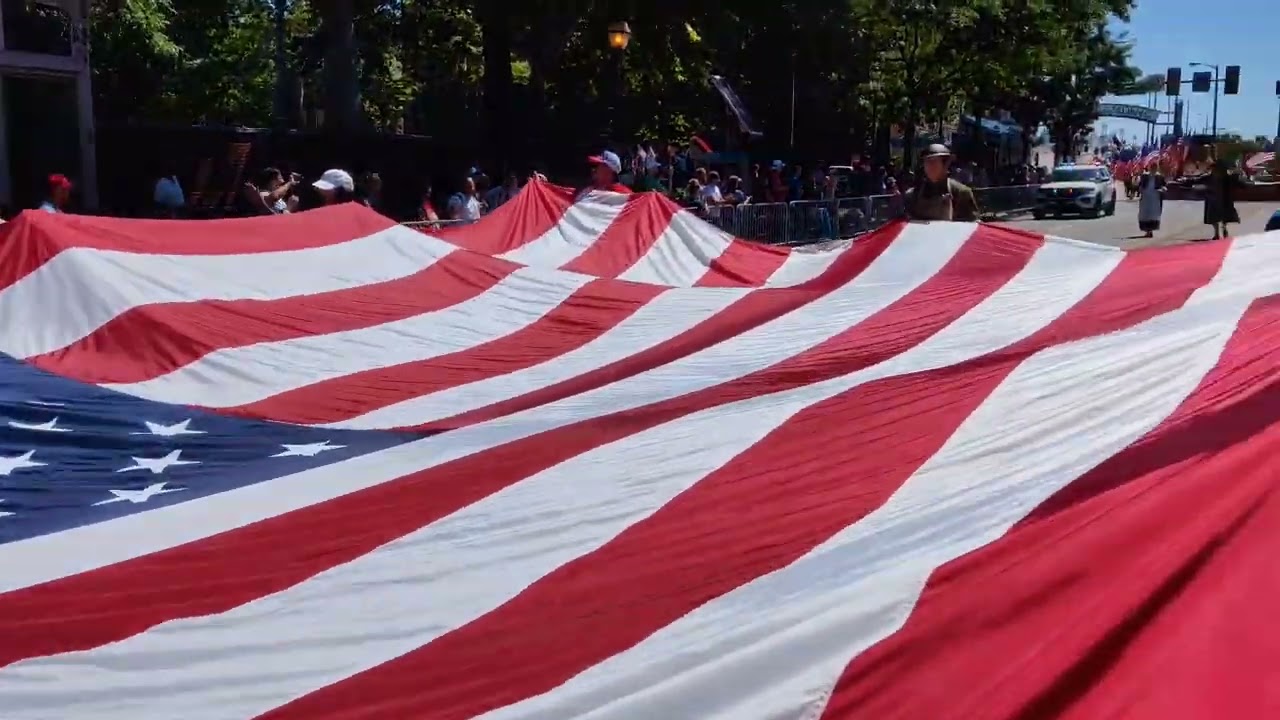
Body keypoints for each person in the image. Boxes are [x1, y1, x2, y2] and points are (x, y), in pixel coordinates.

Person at [902, 144, 980, 221]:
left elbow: (972, 225)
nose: (929, 166)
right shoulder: (913, 194)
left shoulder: (961, 193)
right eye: (927, 162)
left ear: (945, 164)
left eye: (933, 162)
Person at [1202, 159, 1242, 241]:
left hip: (1224, 199)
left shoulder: (1227, 178)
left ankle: (1224, 229)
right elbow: (1198, 180)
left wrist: (1237, 174)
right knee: (1213, 218)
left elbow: (1238, 183)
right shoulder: (1209, 177)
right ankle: (1216, 233)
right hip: (1212, 200)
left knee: (1224, 217)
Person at [1136, 169, 1165, 238]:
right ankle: (1147, 230)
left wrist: (1162, 189)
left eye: (1155, 166)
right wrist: (1140, 189)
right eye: (1152, 166)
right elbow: (1140, 186)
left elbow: (1164, 186)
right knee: (1145, 214)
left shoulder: (1159, 177)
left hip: (1155, 198)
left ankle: (1150, 231)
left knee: (1153, 214)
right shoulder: (1145, 176)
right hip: (1146, 197)